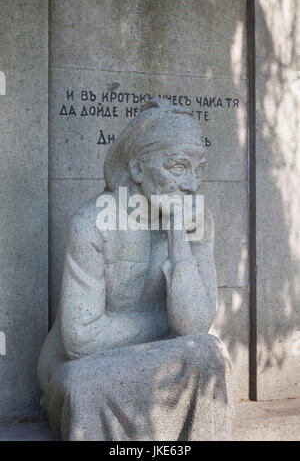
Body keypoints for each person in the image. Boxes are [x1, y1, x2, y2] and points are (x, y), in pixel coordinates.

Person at [38, 99, 233, 441]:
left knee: (209, 353)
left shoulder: (198, 222)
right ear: (138, 167)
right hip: (86, 369)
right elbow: (80, 341)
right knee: (81, 385)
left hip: (158, 361)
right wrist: (164, 323)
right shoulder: (93, 222)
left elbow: (195, 326)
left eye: (198, 169)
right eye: (177, 167)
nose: (191, 184)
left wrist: (178, 236)